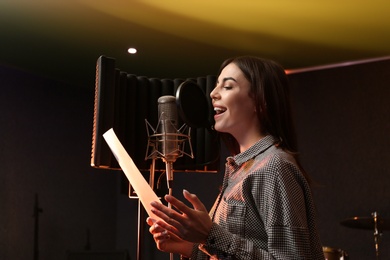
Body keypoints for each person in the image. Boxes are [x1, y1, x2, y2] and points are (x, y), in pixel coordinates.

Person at [146, 56, 324, 259]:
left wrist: (210, 234)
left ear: (260, 101)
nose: (213, 94)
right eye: (215, 87)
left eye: (227, 86)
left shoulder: (275, 166)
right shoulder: (241, 168)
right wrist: (189, 247)